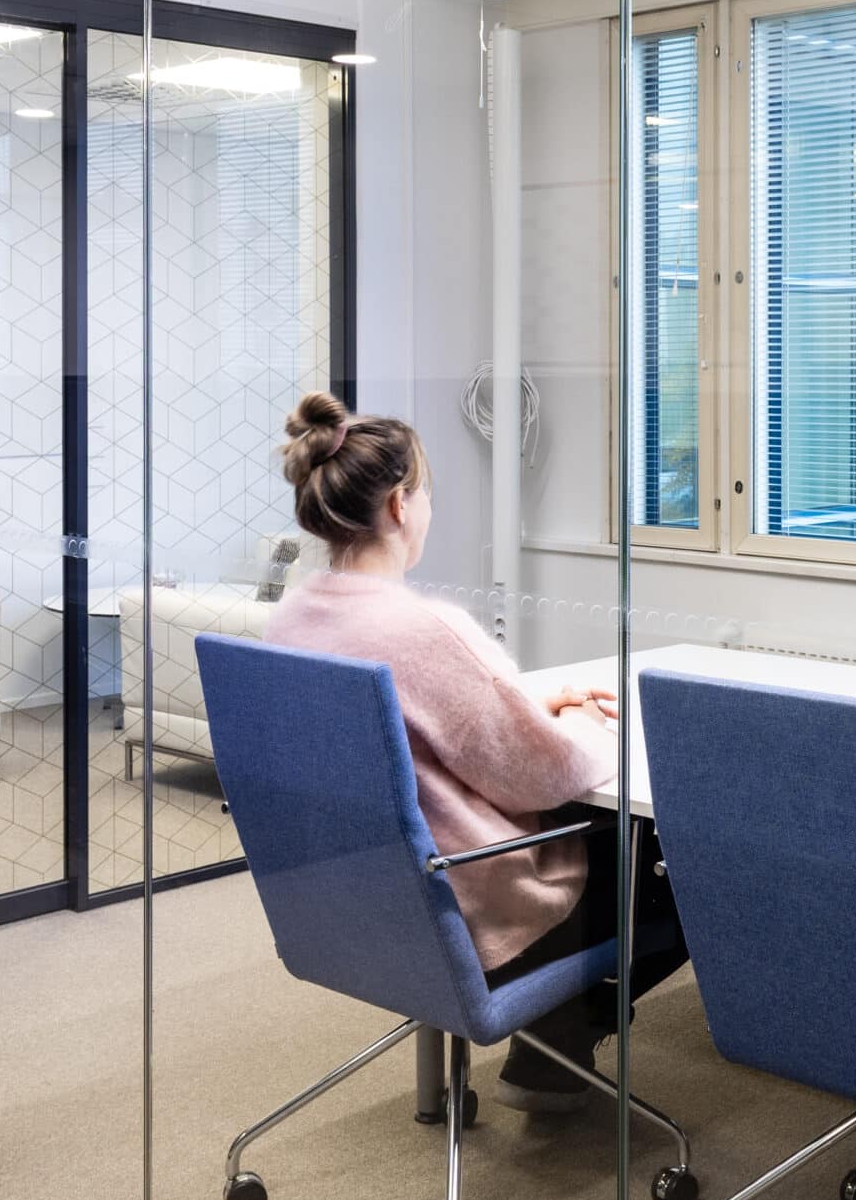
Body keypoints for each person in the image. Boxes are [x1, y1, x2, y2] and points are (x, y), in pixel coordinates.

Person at [262, 391, 684, 1112]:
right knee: (671, 861)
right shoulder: (422, 629)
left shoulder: (290, 620)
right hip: (466, 907)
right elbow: (549, 774)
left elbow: (431, 737)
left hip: (349, 899)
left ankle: (555, 1047)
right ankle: (560, 1035)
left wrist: (522, 709)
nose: (427, 508)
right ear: (399, 504)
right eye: (424, 494)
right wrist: (585, 721)